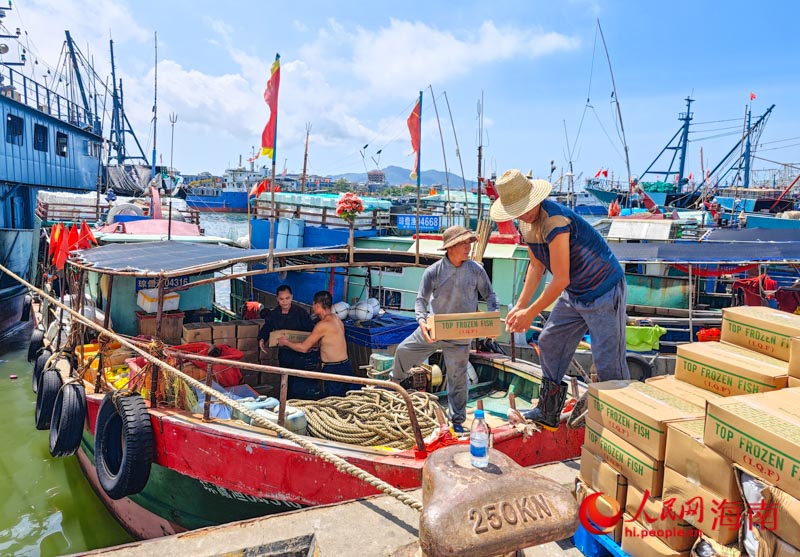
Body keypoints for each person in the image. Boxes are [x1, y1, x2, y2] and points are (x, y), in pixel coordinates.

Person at [489, 169, 629, 431]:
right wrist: (520, 305)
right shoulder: (526, 225)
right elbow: (536, 267)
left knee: (608, 361)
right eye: (518, 210)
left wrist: (530, 313)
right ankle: (548, 410)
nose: (524, 213)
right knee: (550, 342)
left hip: (603, 289)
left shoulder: (555, 220)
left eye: (527, 207)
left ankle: (618, 427)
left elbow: (560, 277)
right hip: (575, 292)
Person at [390, 225, 498, 433]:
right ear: (450, 247)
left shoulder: (476, 270)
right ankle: (394, 381)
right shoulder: (434, 272)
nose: (468, 247)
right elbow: (421, 300)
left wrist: (492, 319)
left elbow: (491, 296)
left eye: (469, 243)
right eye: (463, 243)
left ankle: (457, 421)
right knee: (403, 350)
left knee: (457, 380)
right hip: (434, 328)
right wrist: (421, 321)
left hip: (460, 334)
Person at [277, 290, 357, 397]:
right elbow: (329, 342)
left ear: (318, 305)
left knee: (334, 402)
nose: (313, 307)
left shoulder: (322, 325)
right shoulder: (336, 319)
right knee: (342, 399)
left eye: (313, 304)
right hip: (345, 365)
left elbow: (304, 348)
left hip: (334, 368)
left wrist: (286, 342)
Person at [257, 285, 318, 397]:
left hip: (300, 354)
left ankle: (299, 403)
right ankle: (287, 402)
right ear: (277, 299)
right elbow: (267, 327)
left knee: (299, 382)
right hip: (284, 353)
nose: (285, 302)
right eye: (281, 299)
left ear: (292, 297)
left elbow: (311, 329)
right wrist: (262, 339)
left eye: (287, 298)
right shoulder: (274, 314)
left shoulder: (301, 313)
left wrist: (313, 344)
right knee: (286, 380)